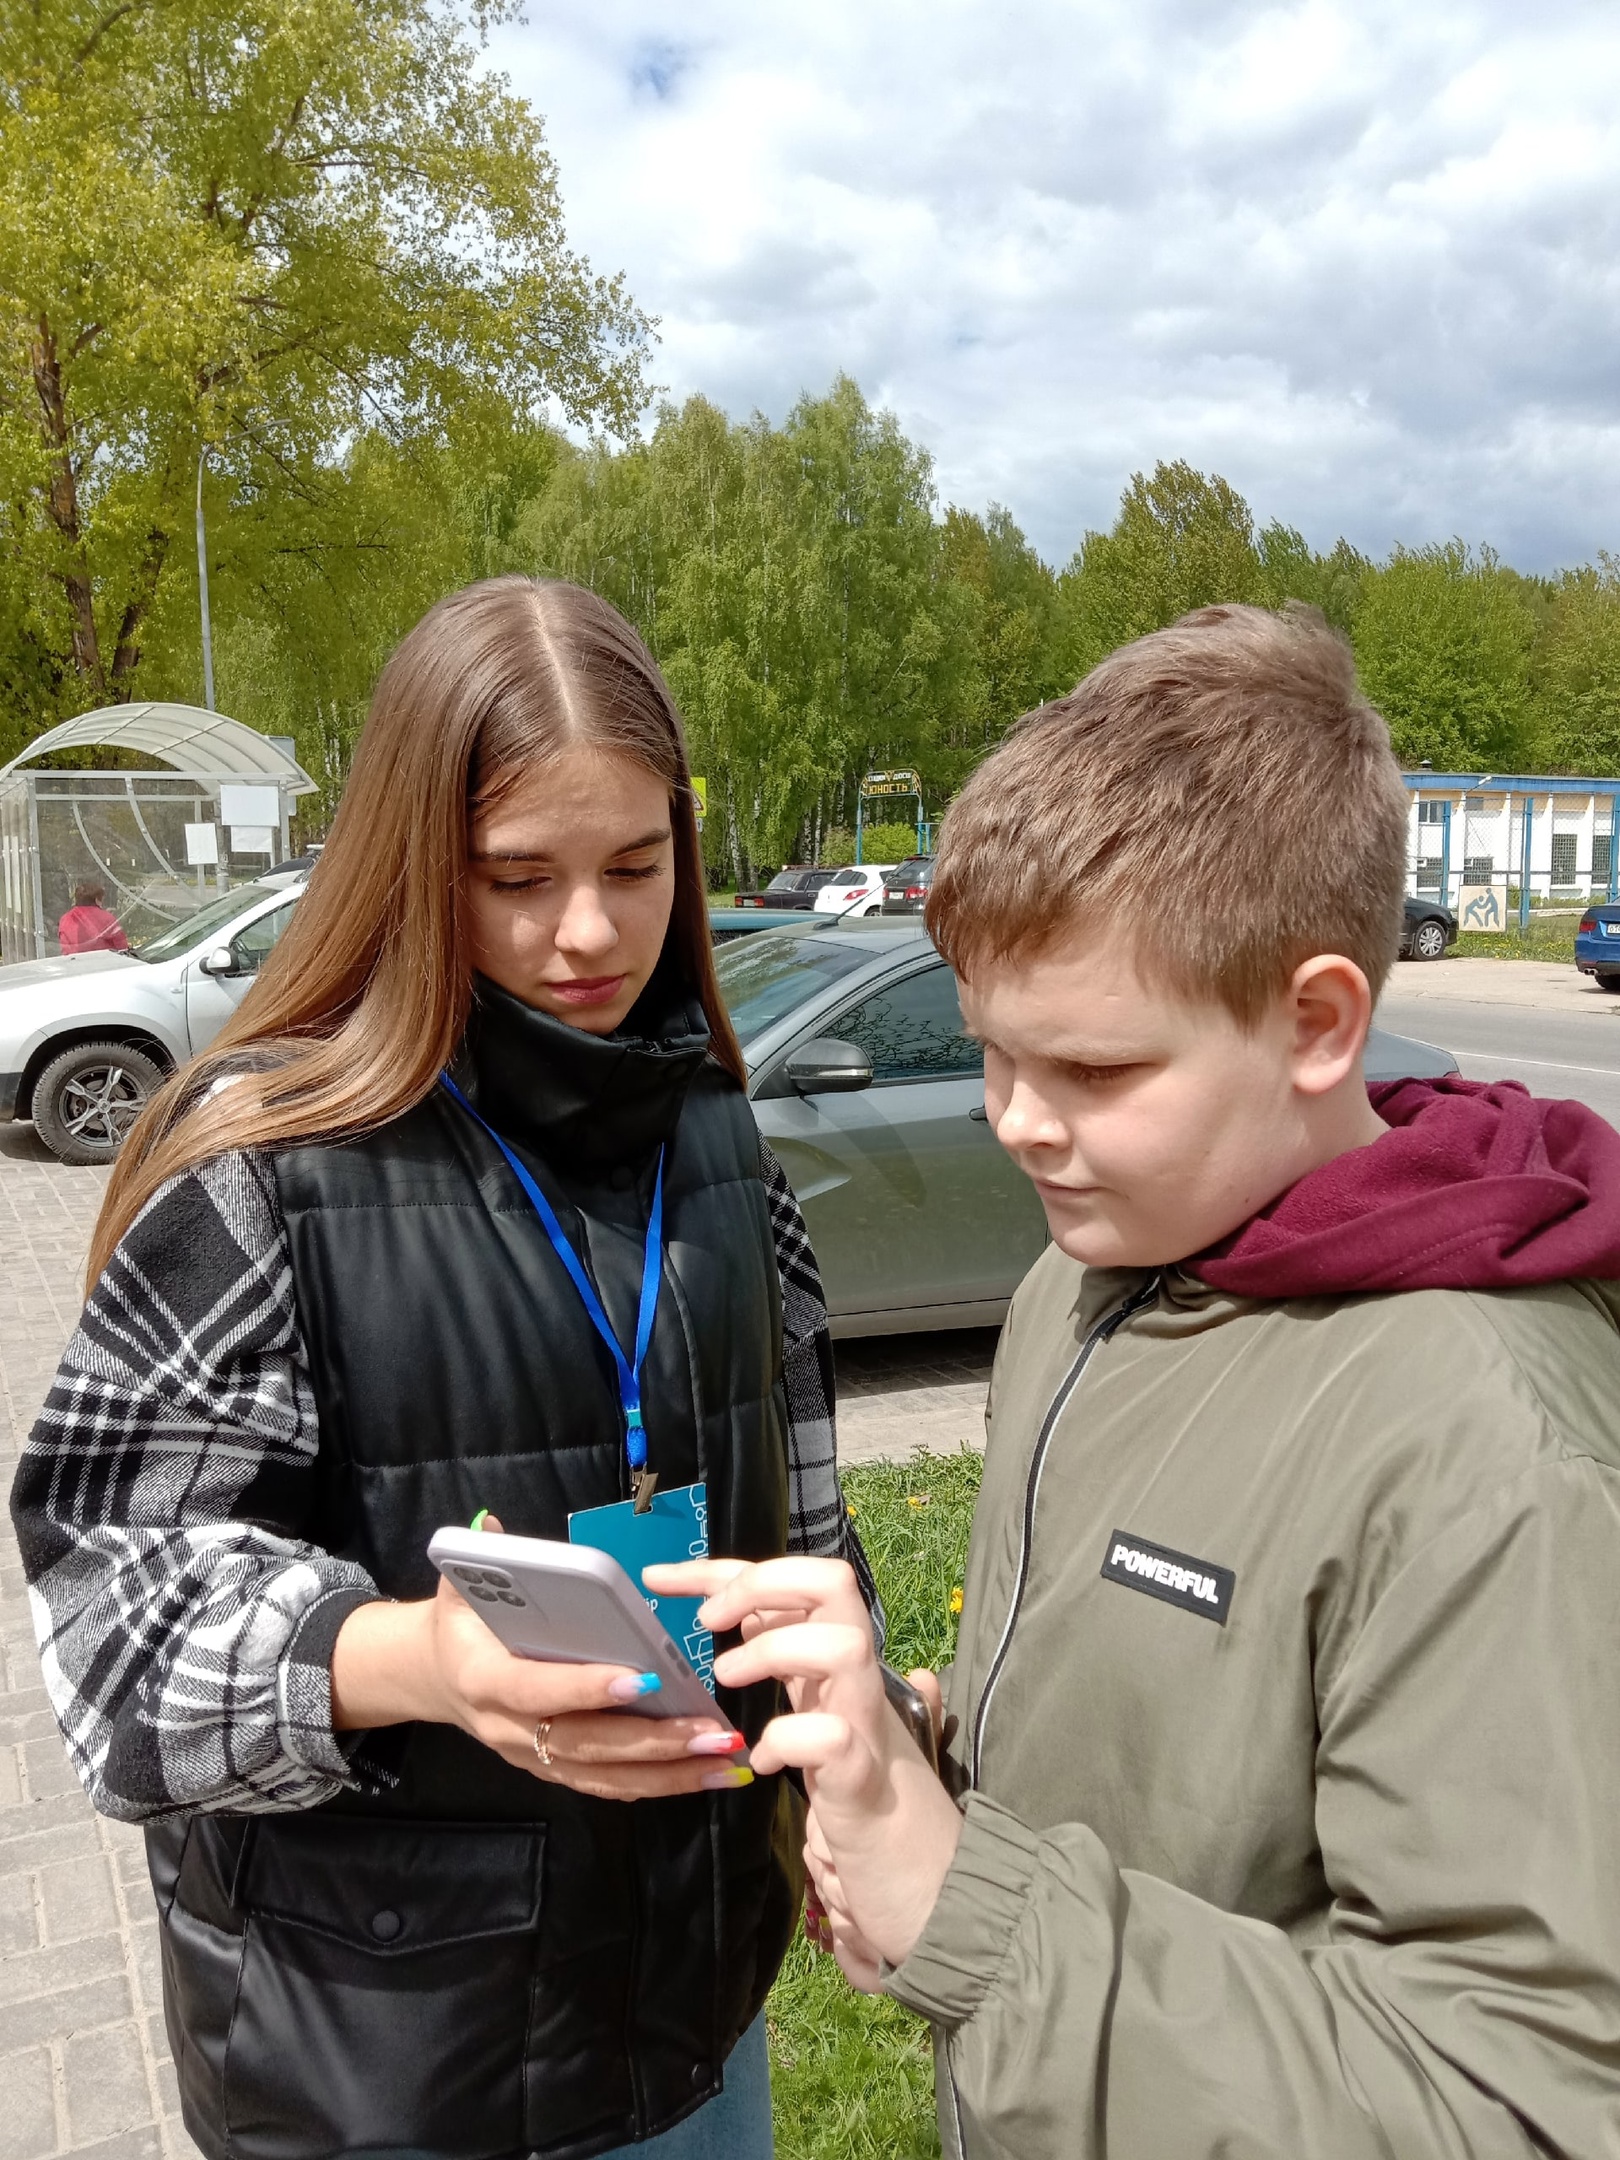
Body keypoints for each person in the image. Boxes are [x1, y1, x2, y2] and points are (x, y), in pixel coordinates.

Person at [658, 605, 1620, 2157]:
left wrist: (968, 1904)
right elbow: (1187, 1745)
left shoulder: (1495, 1451)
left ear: (1317, 1023)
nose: (1019, 1123)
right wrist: (934, 1757)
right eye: (990, 1053)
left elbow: (1527, 2103)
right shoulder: (1087, 1283)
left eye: (1095, 1071)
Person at [11, 576, 876, 2160]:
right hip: (384, 2074)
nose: (590, 932)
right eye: (516, 878)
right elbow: (105, 1636)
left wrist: (852, 1730)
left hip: (693, 2037)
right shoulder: (263, 1167)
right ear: (413, 866)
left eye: (635, 863)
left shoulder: (722, 1142)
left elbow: (806, 1526)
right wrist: (422, 1663)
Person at [57, 878, 129, 953]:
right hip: (104, 962)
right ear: (97, 900)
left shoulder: (65, 918)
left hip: (74, 962)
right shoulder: (107, 917)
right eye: (101, 899)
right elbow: (122, 947)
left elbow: (65, 948)